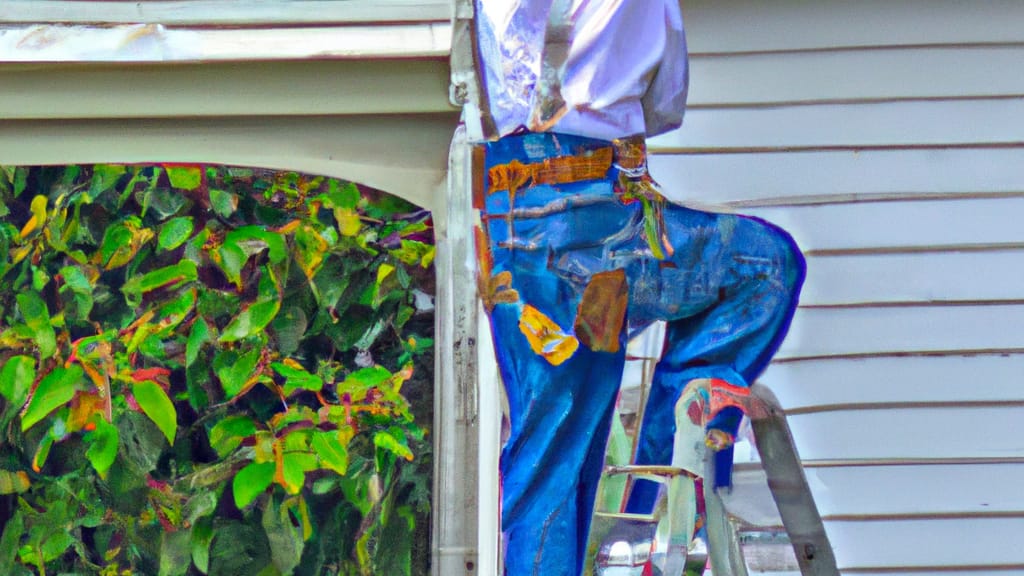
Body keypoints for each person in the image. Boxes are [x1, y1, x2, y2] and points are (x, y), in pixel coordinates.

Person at [470, 2, 805, 574]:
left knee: (552, 449)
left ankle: (645, 510)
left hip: (507, 210)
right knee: (766, 266)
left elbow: (502, 81)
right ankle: (651, 499)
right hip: (602, 212)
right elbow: (665, 103)